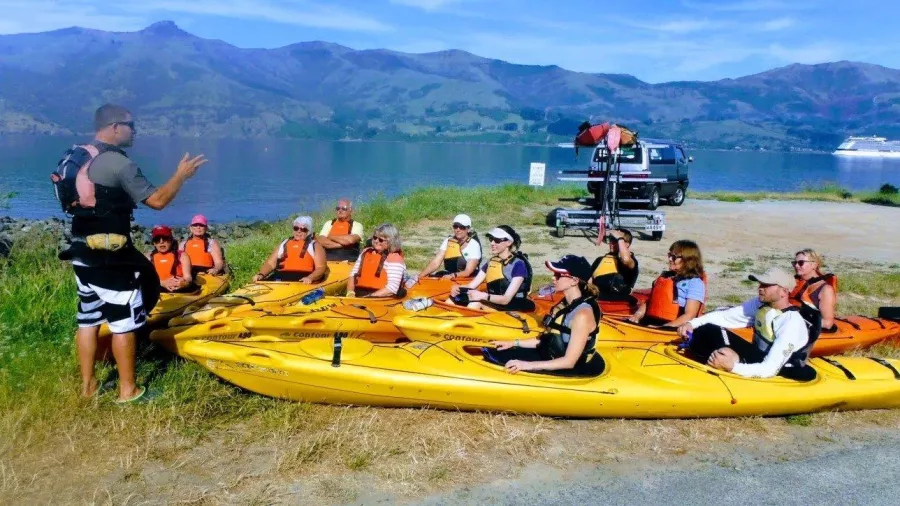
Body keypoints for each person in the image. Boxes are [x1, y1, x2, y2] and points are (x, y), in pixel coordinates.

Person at [61, 103, 206, 402]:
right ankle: (129, 391)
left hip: (80, 253)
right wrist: (181, 175)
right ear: (115, 127)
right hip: (111, 258)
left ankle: (88, 387)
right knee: (124, 323)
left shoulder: (77, 156)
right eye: (131, 125)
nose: (135, 130)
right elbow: (158, 201)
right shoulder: (118, 163)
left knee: (88, 321)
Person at [678, 267, 821, 380]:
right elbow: (726, 317)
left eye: (767, 285)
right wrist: (692, 324)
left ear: (784, 292)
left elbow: (770, 368)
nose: (760, 287)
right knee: (707, 329)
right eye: (760, 283)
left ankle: (723, 361)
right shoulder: (760, 304)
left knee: (724, 353)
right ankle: (718, 357)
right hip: (759, 355)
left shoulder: (791, 322)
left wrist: (732, 367)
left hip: (783, 367)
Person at [483, 255, 604, 376]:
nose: (553, 278)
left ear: (574, 281)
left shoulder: (582, 315)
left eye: (558, 275)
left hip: (570, 369)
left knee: (498, 361)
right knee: (493, 352)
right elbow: (546, 340)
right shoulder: (566, 304)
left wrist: (526, 365)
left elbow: (569, 362)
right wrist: (513, 343)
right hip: (550, 355)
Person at [448, 226, 535, 312]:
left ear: (508, 242)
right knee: (453, 299)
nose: (492, 243)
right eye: (491, 239)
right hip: (493, 300)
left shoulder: (518, 265)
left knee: (476, 302)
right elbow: (471, 286)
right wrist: (458, 288)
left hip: (512, 304)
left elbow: (506, 299)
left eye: (497, 241)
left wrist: (483, 296)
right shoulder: (491, 262)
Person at [628, 239, 705, 327]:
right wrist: (637, 315)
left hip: (672, 326)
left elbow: (689, 316)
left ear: (688, 260)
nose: (670, 259)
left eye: (674, 257)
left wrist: (662, 328)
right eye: (669, 255)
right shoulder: (666, 277)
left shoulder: (695, 283)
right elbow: (651, 301)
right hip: (651, 321)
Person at [252, 216, 327, 283]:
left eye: (303, 229)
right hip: (282, 277)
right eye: (296, 228)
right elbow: (271, 263)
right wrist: (261, 274)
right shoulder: (284, 243)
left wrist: (310, 277)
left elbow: (321, 268)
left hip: (303, 279)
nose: (299, 231)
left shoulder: (314, 245)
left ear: (308, 232)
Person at [346, 223, 406, 297]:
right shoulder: (365, 252)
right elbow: (352, 275)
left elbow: (392, 289)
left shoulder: (394, 258)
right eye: (375, 238)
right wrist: (350, 292)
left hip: (381, 297)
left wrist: (368, 297)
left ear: (391, 241)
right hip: (359, 294)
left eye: (381, 240)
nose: (376, 241)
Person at [417, 213, 482, 280]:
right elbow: (435, 263)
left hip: (466, 278)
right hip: (450, 275)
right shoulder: (448, 241)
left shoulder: (474, 245)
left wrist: (453, 275)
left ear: (468, 229)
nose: (458, 229)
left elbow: (468, 272)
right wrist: (421, 276)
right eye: (455, 226)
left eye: (462, 227)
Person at [791, 248, 837, 332]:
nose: (797, 266)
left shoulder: (825, 289)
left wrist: (797, 323)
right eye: (794, 263)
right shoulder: (794, 283)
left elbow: (828, 323)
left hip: (807, 328)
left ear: (814, 265)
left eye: (801, 263)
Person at [590, 228, 639, 300]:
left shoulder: (631, 261)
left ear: (626, 244)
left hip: (618, 301)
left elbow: (625, 259)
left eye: (615, 240)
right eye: (611, 239)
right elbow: (589, 281)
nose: (611, 243)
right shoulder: (600, 259)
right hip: (598, 299)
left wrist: (619, 238)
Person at [147, 226, 194, 292]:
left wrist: (183, 283)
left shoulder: (182, 255)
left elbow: (188, 277)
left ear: (171, 240)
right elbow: (146, 279)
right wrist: (163, 283)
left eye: (165, 238)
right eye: (157, 239)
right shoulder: (149, 257)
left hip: (179, 290)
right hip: (158, 289)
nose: (161, 242)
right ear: (154, 243)